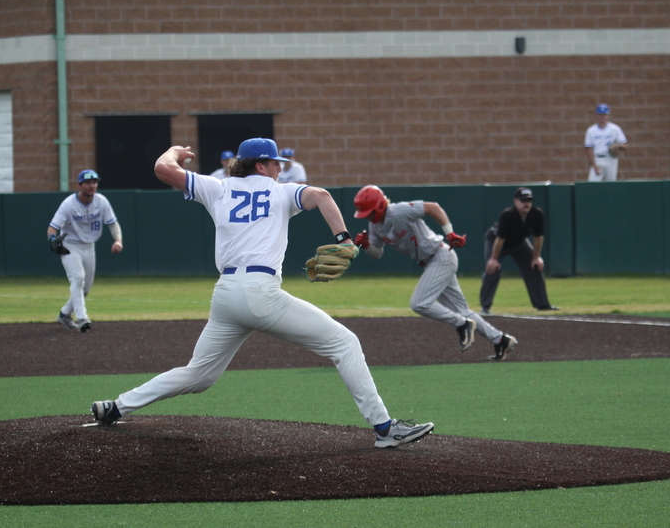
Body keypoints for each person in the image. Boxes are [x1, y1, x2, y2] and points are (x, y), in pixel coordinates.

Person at [91, 138, 433, 448]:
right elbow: (322, 196)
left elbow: (162, 169)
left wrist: (175, 152)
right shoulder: (282, 191)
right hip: (260, 292)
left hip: (226, 295)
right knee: (345, 343)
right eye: (275, 163)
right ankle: (386, 430)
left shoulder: (218, 188)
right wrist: (344, 238)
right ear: (260, 165)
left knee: (199, 374)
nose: (280, 168)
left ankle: (115, 407)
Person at [353, 185, 518, 362]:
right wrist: (367, 245)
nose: (368, 217)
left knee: (419, 303)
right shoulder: (375, 226)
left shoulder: (398, 211)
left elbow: (433, 207)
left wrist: (450, 233)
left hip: (440, 256)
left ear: (379, 206)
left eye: (369, 212)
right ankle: (501, 340)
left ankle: (462, 324)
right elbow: (377, 254)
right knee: (461, 310)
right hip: (431, 262)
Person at [47, 170, 123, 333]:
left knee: (85, 288)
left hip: (89, 246)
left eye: (95, 182)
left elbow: (113, 224)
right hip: (70, 245)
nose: (92, 185)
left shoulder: (101, 201)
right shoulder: (69, 204)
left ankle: (64, 314)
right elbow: (52, 228)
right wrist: (52, 240)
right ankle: (82, 318)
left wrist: (118, 240)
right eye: (88, 182)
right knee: (78, 279)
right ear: (79, 185)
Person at [480, 187, 559, 314]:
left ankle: (542, 304)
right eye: (523, 200)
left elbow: (538, 237)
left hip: (519, 242)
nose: (526, 203)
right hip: (498, 242)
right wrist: (494, 259)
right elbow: (500, 239)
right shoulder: (508, 215)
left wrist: (536, 257)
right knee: (492, 269)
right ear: (515, 201)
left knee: (534, 267)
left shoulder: (537, 214)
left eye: (529, 200)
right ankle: (485, 306)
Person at [584, 103, 628, 182]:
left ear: (608, 115)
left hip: (611, 159)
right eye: (600, 114)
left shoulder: (615, 129)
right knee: (592, 184)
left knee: (610, 185)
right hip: (598, 159)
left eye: (604, 114)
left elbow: (624, 145)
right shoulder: (591, 130)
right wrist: (594, 165)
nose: (602, 117)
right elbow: (588, 149)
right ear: (596, 115)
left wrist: (618, 147)